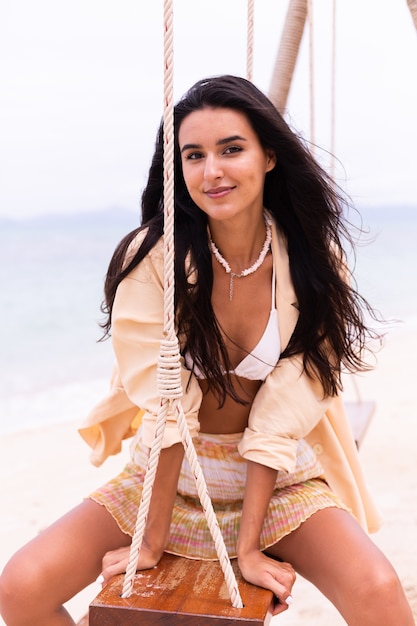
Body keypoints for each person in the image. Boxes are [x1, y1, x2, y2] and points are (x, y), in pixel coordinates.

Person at [0, 75, 413, 626]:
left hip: (276, 477)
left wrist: (247, 548)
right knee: (19, 588)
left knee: (380, 592)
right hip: (168, 476)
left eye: (231, 149)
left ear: (268, 156)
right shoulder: (154, 259)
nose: (211, 171)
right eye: (193, 155)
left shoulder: (313, 258)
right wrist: (148, 541)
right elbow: (169, 406)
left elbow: (288, 410)